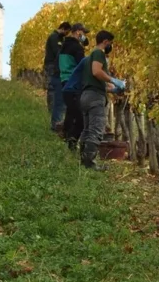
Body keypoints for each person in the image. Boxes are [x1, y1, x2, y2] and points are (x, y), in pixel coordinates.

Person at [79, 30, 125, 170]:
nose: (110, 46)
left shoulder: (88, 58)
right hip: (94, 97)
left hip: (86, 95)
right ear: (105, 42)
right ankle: (89, 163)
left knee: (87, 129)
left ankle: (83, 159)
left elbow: (94, 80)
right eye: (110, 43)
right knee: (96, 129)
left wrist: (112, 88)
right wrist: (113, 80)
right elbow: (97, 72)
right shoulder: (99, 53)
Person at [59, 22, 89, 148]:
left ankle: (66, 134)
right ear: (78, 32)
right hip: (74, 81)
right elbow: (82, 66)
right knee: (78, 114)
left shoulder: (64, 45)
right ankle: (71, 140)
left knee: (70, 110)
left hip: (64, 79)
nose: (84, 36)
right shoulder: (77, 48)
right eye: (83, 33)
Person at [44, 21, 70, 130]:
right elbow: (58, 53)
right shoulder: (54, 37)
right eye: (67, 32)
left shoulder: (58, 38)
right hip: (52, 66)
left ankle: (55, 117)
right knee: (54, 91)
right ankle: (54, 118)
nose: (67, 34)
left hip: (53, 66)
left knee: (55, 92)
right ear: (63, 29)